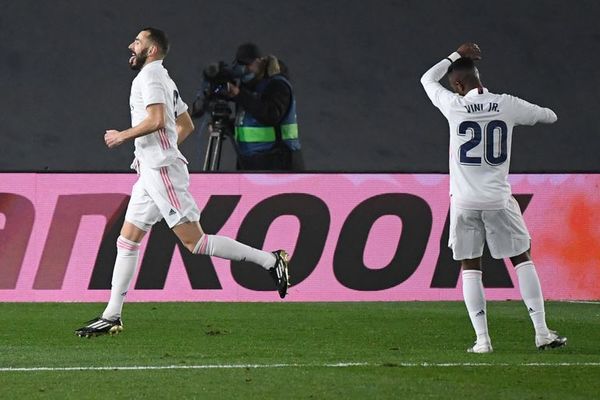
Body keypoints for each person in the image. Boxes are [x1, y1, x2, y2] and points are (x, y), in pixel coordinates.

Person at [75, 28, 290, 338]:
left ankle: (271, 261)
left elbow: (158, 120)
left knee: (196, 243)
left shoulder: (150, 77)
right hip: (151, 170)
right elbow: (185, 124)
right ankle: (112, 314)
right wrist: (163, 147)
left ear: (151, 49)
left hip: (161, 171)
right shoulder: (163, 77)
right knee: (127, 240)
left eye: (137, 41)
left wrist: (123, 136)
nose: (130, 45)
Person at [420, 43, 567, 353]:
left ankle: (483, 341)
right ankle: (541, 332)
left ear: (459, 85)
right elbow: (549, 116)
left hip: (463, 202)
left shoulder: (454, 106)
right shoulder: (506, 104)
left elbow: (426, 80)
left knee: (470, 268)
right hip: (499, 201)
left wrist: (453, 55)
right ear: (479, 79)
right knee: (522, 259)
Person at [225, 43, 304, 171]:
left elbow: (271, 115)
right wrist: (226, 124)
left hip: (278, 161)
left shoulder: (278, 85)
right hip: (250, 161)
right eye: (242, 64)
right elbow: (248, 122)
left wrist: (240, 94)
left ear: (260, 61)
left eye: (249, 64)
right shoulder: (248, 86)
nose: (246, 68)